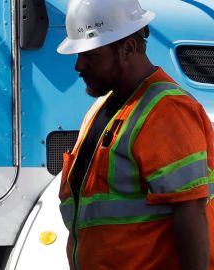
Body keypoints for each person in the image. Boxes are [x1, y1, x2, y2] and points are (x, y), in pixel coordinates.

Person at [56, 0, 214, 269]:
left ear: (128, 48)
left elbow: (191, 212)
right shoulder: (101, 109)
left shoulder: (167, 111)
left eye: (91, 55)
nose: (78, 66)